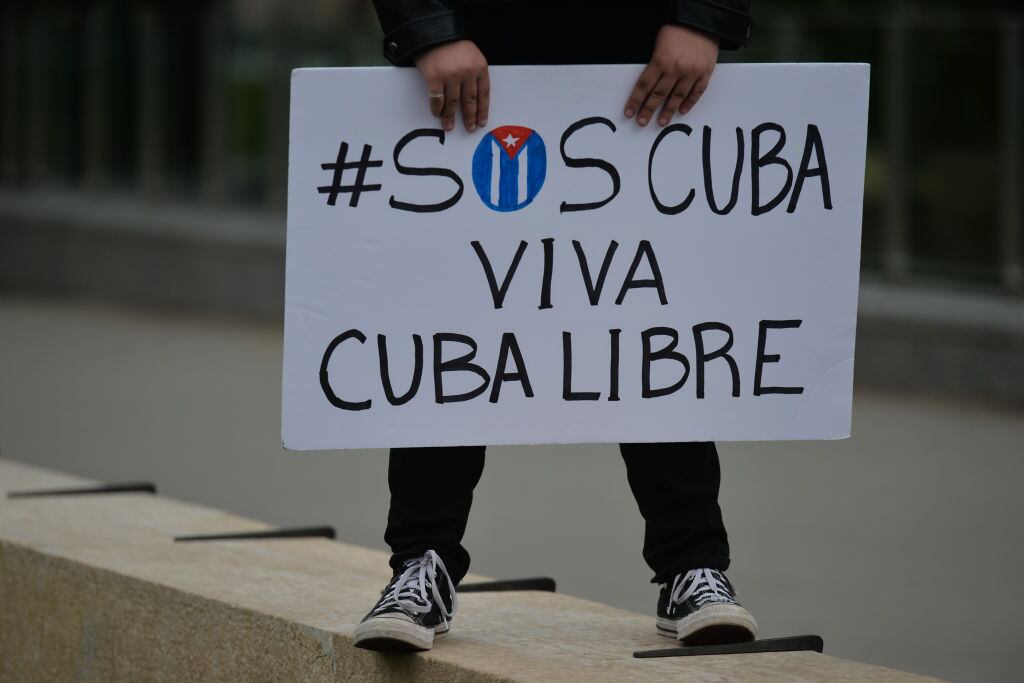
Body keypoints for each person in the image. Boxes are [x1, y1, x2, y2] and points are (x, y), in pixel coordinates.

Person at [354, 0, 757, 653]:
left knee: (647, 321)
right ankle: (420, 564)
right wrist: (428, 28)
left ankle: (693, 564)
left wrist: (703, 15)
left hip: (644, 58)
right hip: (473, 51)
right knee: (455, 321)